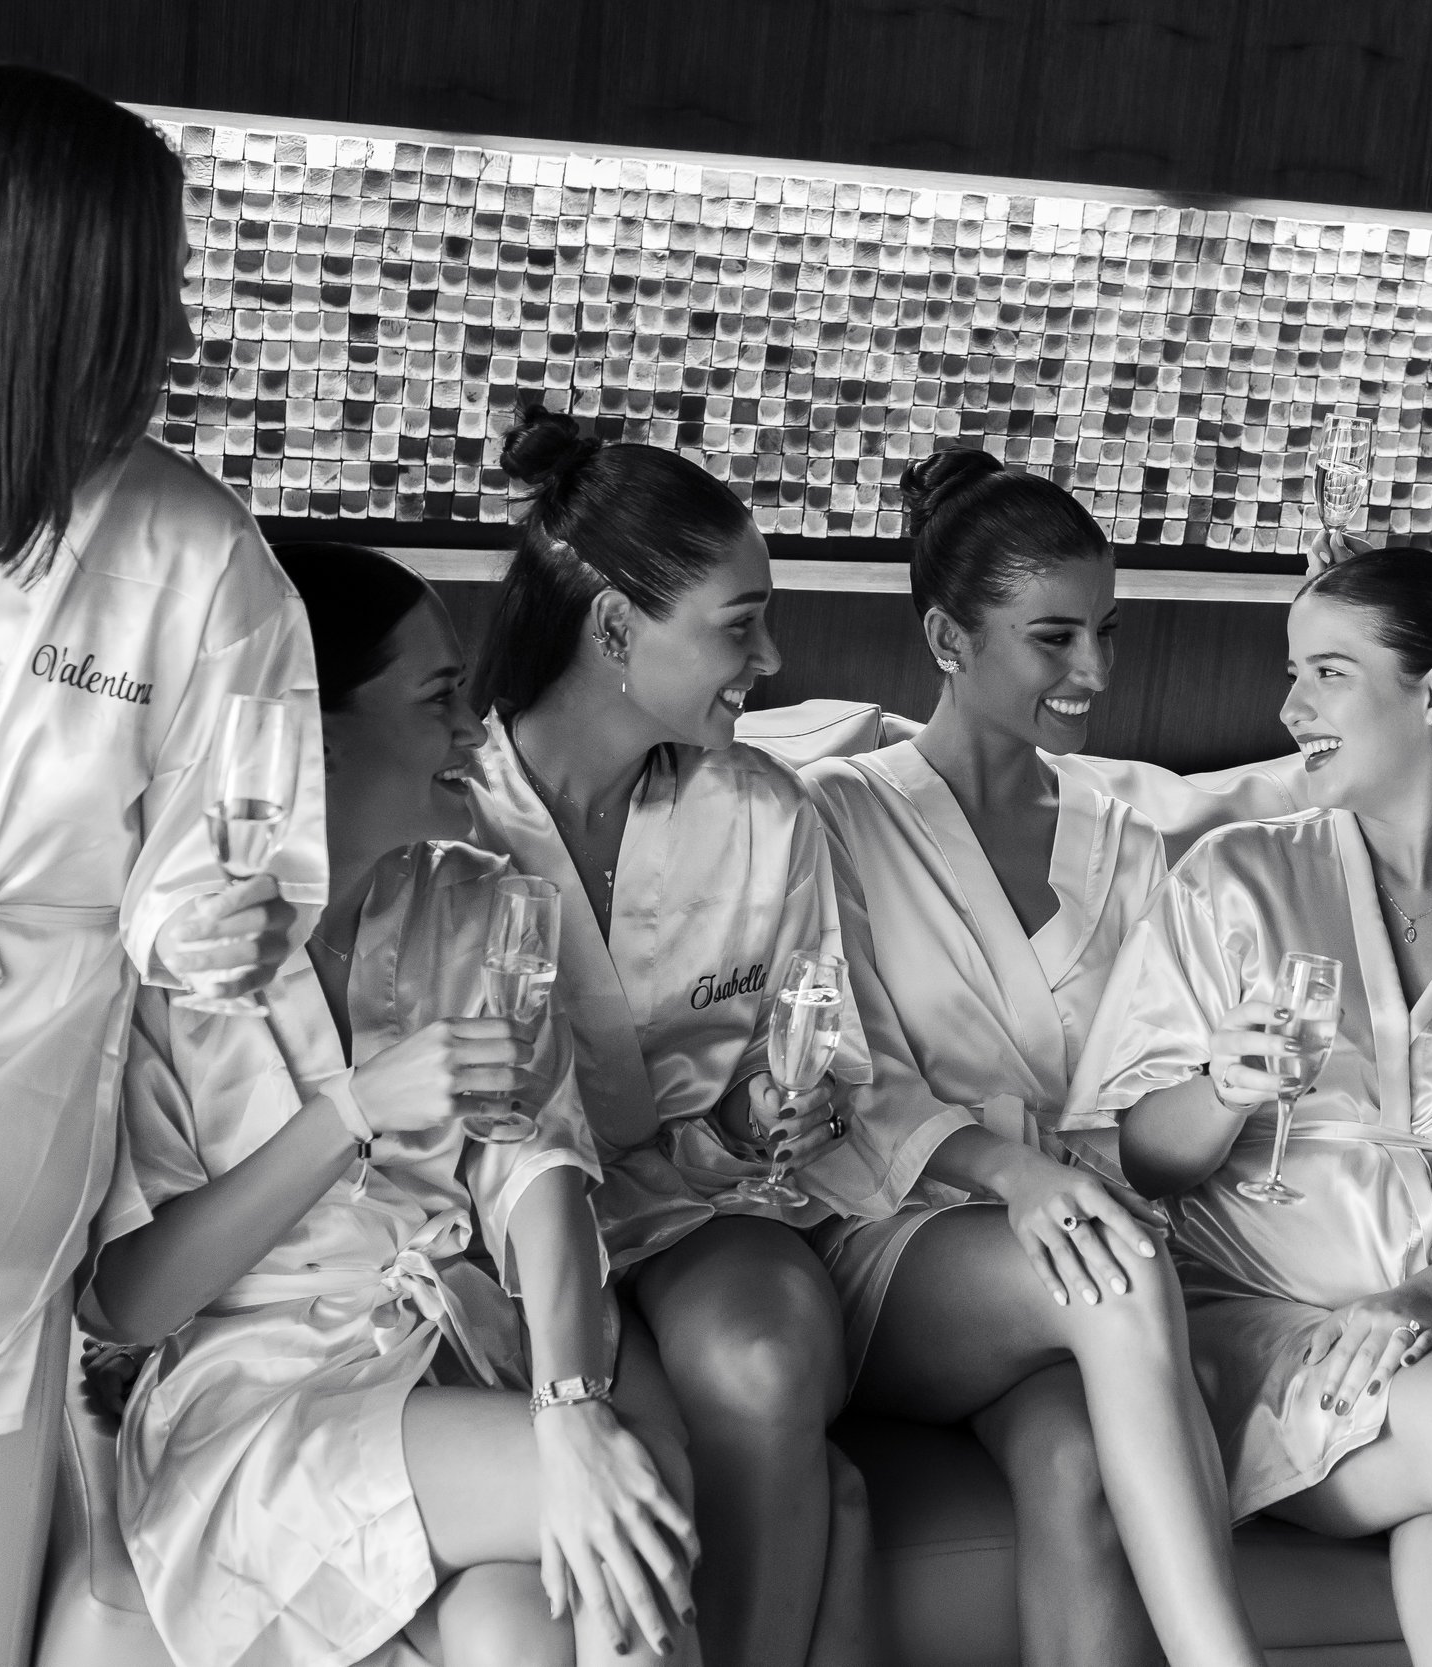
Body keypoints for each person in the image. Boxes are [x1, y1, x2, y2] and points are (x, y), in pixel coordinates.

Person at [89, 544, 696, 1666]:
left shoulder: (479, 902)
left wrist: (569, 1399)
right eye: (438, 698)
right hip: (261, 1401)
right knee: (630, 1523)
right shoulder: (174, 956)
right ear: (310, 735)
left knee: (542, 1625)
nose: (476, 731)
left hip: (449, 1354)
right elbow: (129, 1301)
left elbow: (541, 1177)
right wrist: (350, 1111)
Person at [0, 66, 310, 1663]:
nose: (172, 333)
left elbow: (221, 912)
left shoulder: (201, 560)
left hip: (1, 1177)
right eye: (145, 293)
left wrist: (225, 923)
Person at [1068, 548, 1432, 1667]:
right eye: (1293, 673)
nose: (1290, 708)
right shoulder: (1231, 878)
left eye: (1326, 673)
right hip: (1255, 1334)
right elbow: (1136, 1158)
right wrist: (1221, 1088)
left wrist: (1422, 1300)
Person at [801, 448, 1268, 1667]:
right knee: (1115, 1269)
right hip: (901, 1230)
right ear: (948, 639)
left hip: (1085, 1230)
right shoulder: (837, 812)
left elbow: (1146, 1078)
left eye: (1105, 632)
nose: (1095, 671)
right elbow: (846, 1077)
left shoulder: (1126, 833)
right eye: (1053, 638)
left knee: (1080, 1467)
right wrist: (1018, 1177)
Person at [463, 408, 873, 1667]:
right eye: (738, 623)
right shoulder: (446, 821)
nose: (772, 654)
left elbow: (820, 1045)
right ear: (615, 628)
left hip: (700, 1208)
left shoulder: (765, 812)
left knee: (758, 1361)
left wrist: (767, 1115)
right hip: (499, 1234)